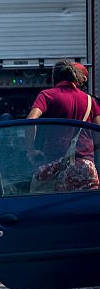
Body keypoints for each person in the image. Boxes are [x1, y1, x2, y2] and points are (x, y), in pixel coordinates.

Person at [26, 60, 100, 193]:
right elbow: (98, 135)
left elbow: (31, 121)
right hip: (85, 167)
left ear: (54, 77)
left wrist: (31, 150)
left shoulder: (47, 95)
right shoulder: (90, 101)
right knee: (86, 210)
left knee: (41, 208)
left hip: (54, 166)